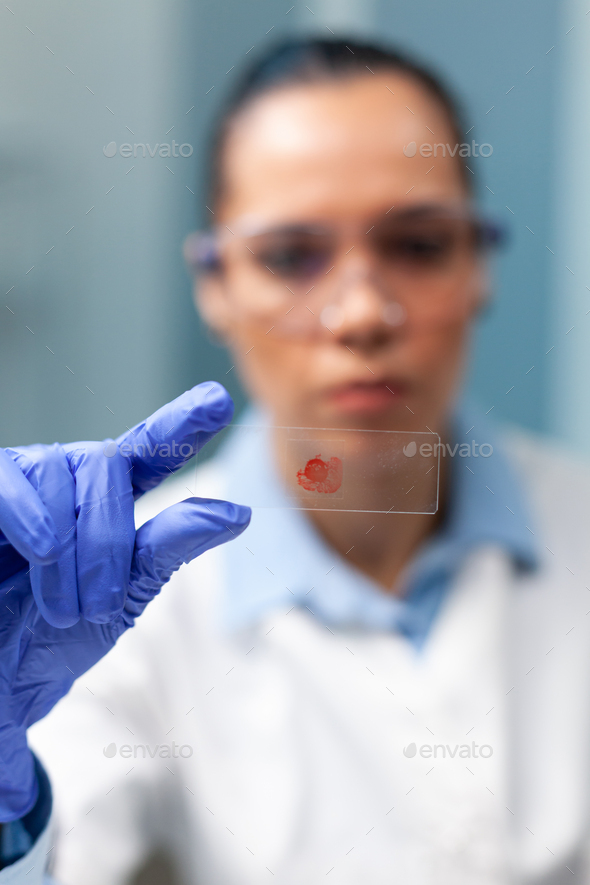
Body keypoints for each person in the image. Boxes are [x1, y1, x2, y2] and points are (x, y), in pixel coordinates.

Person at [11, 36, 590, 885]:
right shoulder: (106, 602)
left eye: (419, 245)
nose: (360, 314)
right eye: (289, 256)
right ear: (215, 285)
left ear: (480, 267)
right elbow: (62, 857)